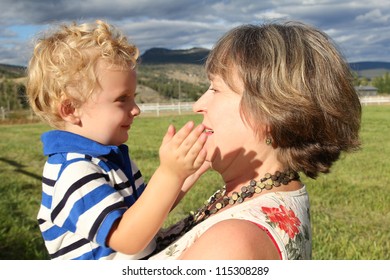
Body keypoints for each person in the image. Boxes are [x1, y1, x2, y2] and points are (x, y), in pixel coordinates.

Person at [149, 21, 361, 260]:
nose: (198, 105)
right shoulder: (262, 193)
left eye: (216, 90)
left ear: (270, 112)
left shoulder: (231, 244)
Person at [26, 20, 208, 260]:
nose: (136, 110)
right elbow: (128, 239)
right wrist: (170, 174)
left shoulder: (107, 157)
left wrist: (191, 170)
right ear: (70, 109)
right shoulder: (74, 172)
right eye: (122, 99)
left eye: (134, 98)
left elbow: (147, 213)